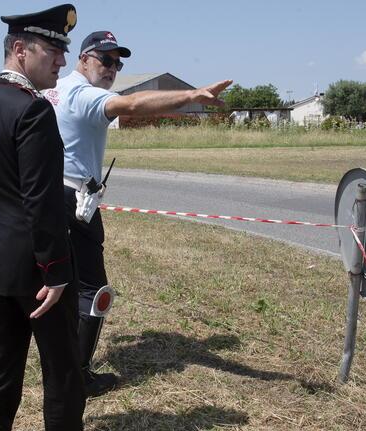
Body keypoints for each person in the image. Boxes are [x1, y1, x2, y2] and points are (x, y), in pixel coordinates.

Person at [46, 31, 231, 397]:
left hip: (50, 194)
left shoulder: (55, 90)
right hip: (74, 201)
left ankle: (59, 366)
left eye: (118, 63)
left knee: (58, 286)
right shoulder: (85, 94)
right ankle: (76, 378)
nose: (112, 68)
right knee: (92, 290)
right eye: (105, 60)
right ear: (83, 59)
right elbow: (130, 106)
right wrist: (192, 95)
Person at [0, 4, 98, 431]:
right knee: (61, 364)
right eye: (53, 51)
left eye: (64, 52)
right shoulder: (34, 110)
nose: (61, 61)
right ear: (20, 51)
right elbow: (42, 201)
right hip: (39, 269)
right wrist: (56, 270)